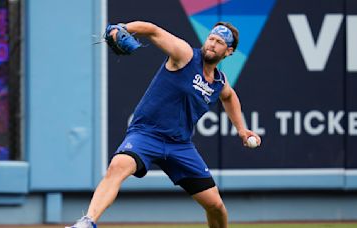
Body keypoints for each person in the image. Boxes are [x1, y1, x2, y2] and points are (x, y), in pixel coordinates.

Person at [67, 21, 261, 228]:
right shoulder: (185, 56)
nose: (212, 44)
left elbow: (229, 97)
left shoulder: (218, 82)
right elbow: (152, 30)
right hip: (146, 134)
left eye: (219, 42)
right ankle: (88, 222)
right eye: (211, 38)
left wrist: (241, 129)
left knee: (215, 206)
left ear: (229, 51)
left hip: (180, 145)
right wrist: (122, 28)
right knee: (117, 166)